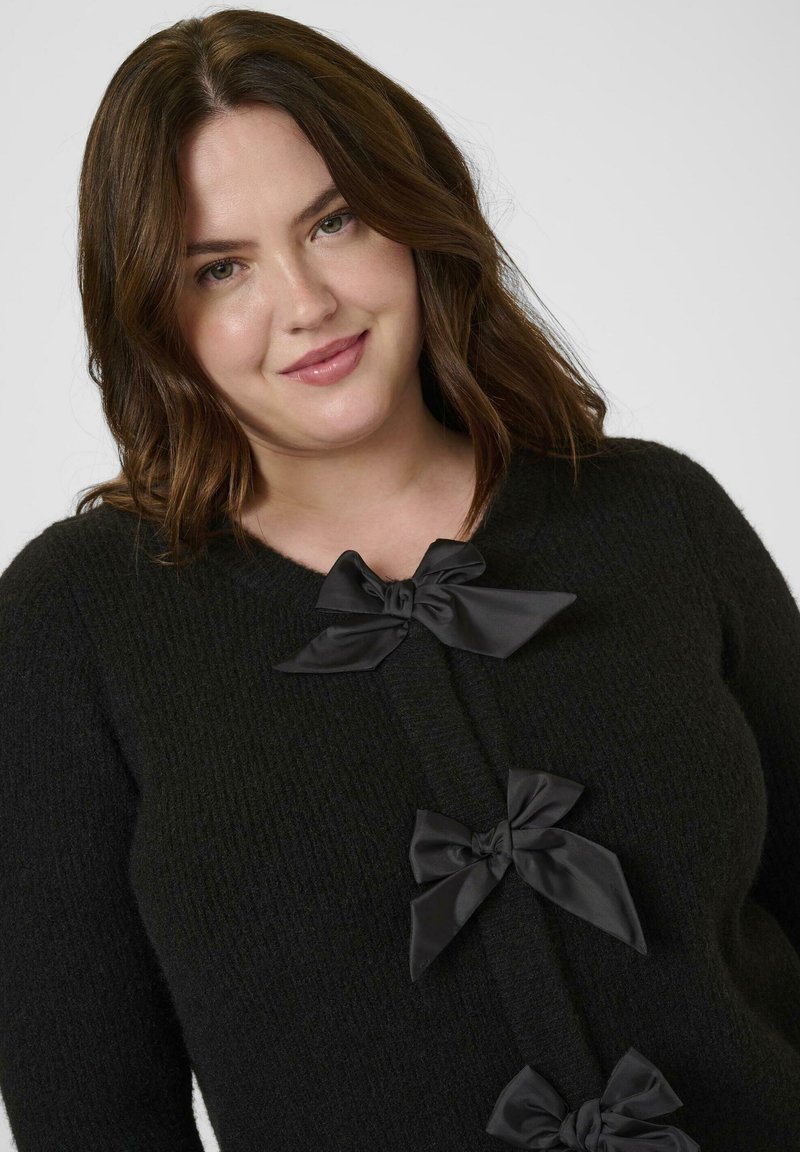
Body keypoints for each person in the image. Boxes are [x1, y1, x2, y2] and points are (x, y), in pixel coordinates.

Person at [0, 9, 798, 1151]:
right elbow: (88, 1109)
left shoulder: (655, 513)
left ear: (414, 214)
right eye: (221, 268)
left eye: (333, 221)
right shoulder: (77, 619)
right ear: (156, 321)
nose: (305, 304)